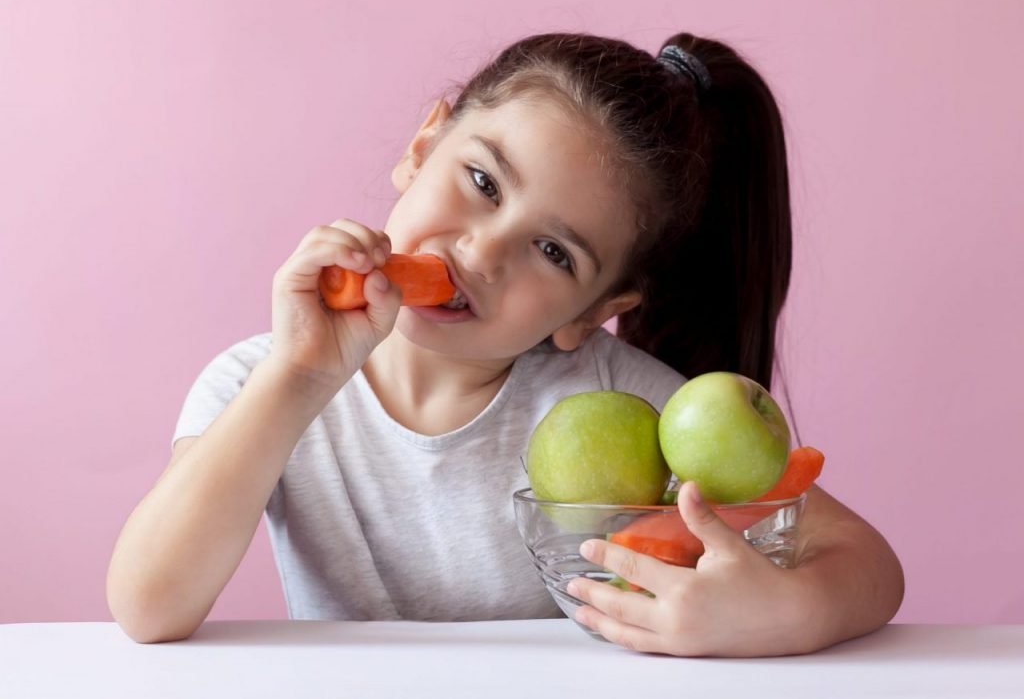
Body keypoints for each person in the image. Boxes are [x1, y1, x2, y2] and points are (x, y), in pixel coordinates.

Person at [107, 32, 904, 656]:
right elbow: (148, 606)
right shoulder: (260, 382)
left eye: (554, 254)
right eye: (482, 182)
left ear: (593, 311)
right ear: (423, 147)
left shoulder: (630, 406)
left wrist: (778, 616)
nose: (480, 256)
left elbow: (868, 564)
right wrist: (299, 378)